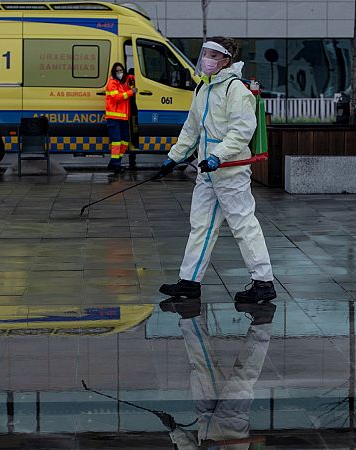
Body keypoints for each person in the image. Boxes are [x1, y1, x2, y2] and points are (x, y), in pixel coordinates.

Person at [157, 37, 276, 304]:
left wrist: (217, 156)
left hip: (230, 172)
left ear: (226, 60)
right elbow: (191, 128)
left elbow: (241, 132)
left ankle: (263, 282)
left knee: (243, 225)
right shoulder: (203, 88)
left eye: (212, 55)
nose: (206, 59)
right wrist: (174, 157)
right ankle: (189, 282)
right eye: (205, 54)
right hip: (207, 171)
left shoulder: (236, 90)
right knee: (201, 226)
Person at [160, 296, 275, 449]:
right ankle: (263, 321)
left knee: (202, 367)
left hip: (206, 421)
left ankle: (189, 314)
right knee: (243, 376)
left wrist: (175, 431)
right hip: (230, 425)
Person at [105, 63, 136, 174]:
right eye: (117, 71)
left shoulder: (124, 81)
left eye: (121, 70)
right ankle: (116, 165)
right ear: (114, 72)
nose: (119, 73)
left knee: (125, 141)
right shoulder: (112, 82)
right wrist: (131, 92)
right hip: (113, 118)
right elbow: (116, 98)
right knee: (116, 142)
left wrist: (135, 76)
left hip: (123, 118)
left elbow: (132, 77)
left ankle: (114, 162)